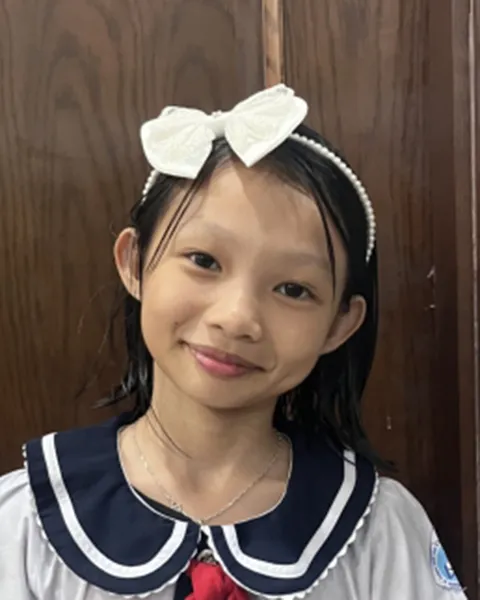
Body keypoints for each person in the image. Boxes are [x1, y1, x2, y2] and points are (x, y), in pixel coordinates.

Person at [0, 84, 467, 599]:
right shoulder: (25, 523)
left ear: (340, 323)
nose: (238, 317)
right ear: (134, 262)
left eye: (293, 289)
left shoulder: (379, 531)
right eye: (204, 261)